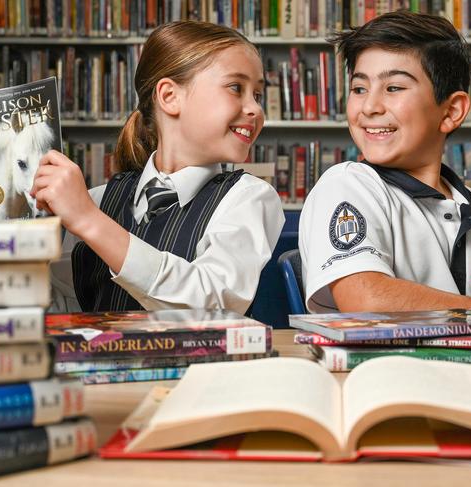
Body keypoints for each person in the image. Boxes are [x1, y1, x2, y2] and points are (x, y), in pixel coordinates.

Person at [299, 10, 471, 323]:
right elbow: (365, 297)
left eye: (393, 88)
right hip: (384, 371)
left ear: (451, 111)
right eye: (359, 89)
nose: (369, 106)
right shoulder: (348, 183)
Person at [33, 21, 284, 315]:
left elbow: (213, 303)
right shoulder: (96, 200)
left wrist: (89, 222)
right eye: (235, 88)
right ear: (169, 96)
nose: (255, 109)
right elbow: (66, 304)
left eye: (257, 95)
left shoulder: (249, 198)